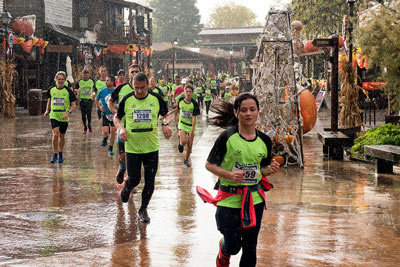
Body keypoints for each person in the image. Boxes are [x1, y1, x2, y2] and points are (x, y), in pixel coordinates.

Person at [199, 93, 280, 267]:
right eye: (244, 110)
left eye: (252, 109)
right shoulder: (227, 137)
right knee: (234, 245)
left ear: (258, 112)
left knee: (250, 247)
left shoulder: (265, 140)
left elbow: (262, 170)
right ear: (236, 113)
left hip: (254, 199)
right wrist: (229, 175)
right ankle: (224, 249)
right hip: (228, 200)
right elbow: (209, 165)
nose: (248, 113)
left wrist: (270, 170)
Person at [114, 72, 172, 223]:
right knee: (134, 179)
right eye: (136, 88)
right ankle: (127, 187)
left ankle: (143, 209)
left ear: (147, 85)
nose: (139, 91)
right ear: (132, 85)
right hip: (132, 147)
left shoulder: (156, 99)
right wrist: (121, 128)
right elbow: (117, 118)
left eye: (142, 88)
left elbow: (166, 115)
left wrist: (165, 124)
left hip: (151, 147)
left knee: (150, 181)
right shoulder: (127, 100)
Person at [108, 64, 141, 184]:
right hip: (123, 128)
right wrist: (114, 112)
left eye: (137, 71)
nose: (134, 73)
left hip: (138, 130)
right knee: (123, 157)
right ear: (129, 74)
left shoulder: (145, 89)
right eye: (132, 72)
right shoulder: (121, 88)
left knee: (134, 158)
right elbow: (110, 101)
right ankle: (122, 169)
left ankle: (131, 182)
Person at [44, 71, 77, 164]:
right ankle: (54, 154)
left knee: (62, 136)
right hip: (54, 114)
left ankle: (61, 152)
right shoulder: (51, 89)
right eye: (59, 79)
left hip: (64, 115)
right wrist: (47, 110)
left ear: (65, 80)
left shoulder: (68, 91)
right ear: (56, 79)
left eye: (62, 79)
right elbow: (49, 100)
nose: (60, 81)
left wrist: (68, 112)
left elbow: (74, 105)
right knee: (55, 133)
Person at [169, 85, 200, 167]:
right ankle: (180, 143)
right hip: (182, 123)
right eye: (187, 92)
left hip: (191, 125)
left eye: (190, 92)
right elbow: (178, 110)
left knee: (190, 144)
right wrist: (169, 113)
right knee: (184, 141)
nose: (188, 93)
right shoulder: (181, 100)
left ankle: (186, 159)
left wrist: (192, 131)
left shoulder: (195, 104)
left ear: (192, 93)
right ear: (184, 92)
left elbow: (194, 118)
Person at [96, 75, 117, 156]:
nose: (106, 82)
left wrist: (116, 106)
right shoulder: (102, 91)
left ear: (112, 82)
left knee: (113, 131)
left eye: (108, 80)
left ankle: (111, 147)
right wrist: (99, 106)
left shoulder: (116, 91)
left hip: (114, 114)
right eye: (106, 80)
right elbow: (96, 99)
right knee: (105, 131)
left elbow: (120, 101)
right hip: (105, 114)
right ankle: (105, 138)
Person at [74, 69, 95, 134]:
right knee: (83, 115)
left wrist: (94, 93)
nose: (85, 76)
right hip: (82, 100)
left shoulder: (91, 81)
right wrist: (77, 91)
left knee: (89, 114)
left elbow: (94, 89)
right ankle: (85, 127)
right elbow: (75, 89)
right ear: (82, 75)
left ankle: (89, 125)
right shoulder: (79, 82)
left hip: (89, 100)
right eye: (84, 75)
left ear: (88, 75)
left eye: (86, 75)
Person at [95, 66, 108, 134]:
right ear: (99, 72)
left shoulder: (109, 81)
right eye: (101, 71)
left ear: (106, 72)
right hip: (100, 104)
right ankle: (104, 133)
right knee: (101, 120)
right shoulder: (97, 82)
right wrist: (93, 94)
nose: (103, 72)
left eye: (104, 71)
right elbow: (94, 91)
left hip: (109, 104)